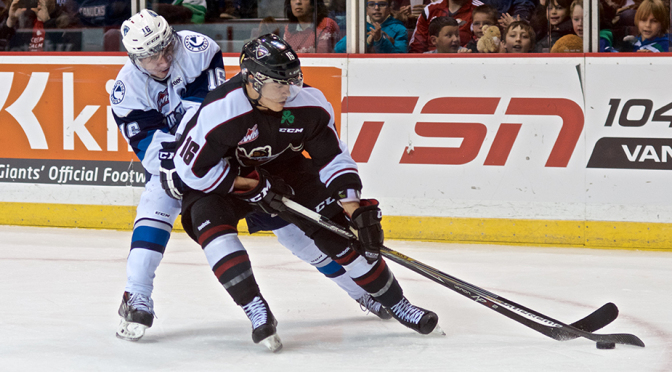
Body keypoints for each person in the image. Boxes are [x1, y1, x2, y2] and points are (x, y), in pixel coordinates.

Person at [110, 10, 389, 342]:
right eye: (150, 56)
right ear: (133, 57)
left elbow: (210, 117)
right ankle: (137, 294)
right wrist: (180, 170)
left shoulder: (198, 50)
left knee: (293, 227)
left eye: (166, 48)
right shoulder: (125, 91)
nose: (162, 60)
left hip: (229, 157)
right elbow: (149, 148)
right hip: (176, 162)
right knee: (156, 205)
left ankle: (360, 291)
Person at [164, 33, 441, 351]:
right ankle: (255, 308)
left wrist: (355, 210)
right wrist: (252, 186)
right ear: (252, 81)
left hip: (285, 170)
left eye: (292, 81)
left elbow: (332, 157)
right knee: (210, 224)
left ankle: (398, 304)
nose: (288, 90)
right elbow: (194, 173)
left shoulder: (307, 104)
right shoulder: (222, 111)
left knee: (338, 231)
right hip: (222, 180)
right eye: (279, 84)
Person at [408, 0, 482, 53]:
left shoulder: (481, 10)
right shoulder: (430, 9)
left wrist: (466, 56)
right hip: (430, 63)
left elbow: (483, 43)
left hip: (464, 62)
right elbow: (416, 47)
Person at [333, 0, 408, 53]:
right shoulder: (360, 26)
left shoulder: (399, 29)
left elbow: (400, 57)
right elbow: (338, 49)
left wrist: (380, 39)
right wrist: (366, 41)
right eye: (371, 4)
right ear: (366, 10)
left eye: (382, 4)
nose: (376, 8)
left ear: (389, 9)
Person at [0, 0, 76, 51]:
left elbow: (74, 47)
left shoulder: (64, 19)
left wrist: (48, 22)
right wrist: (10, 22)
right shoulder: (22, 15)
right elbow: (8, 46)